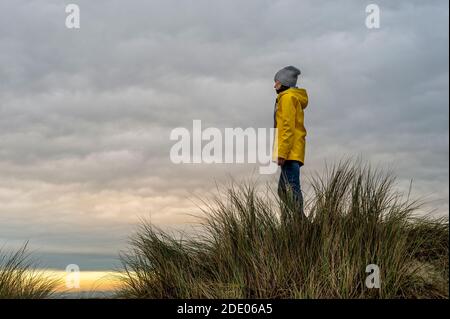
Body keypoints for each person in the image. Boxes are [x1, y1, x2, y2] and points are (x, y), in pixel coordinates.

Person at [272, 66, 309, 221]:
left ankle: (301, 223)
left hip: (290, 152)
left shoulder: (287, 98)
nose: (275, 86)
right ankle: (299, 219)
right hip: (294, 151)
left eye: (277, 82)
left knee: (292, 188)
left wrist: (282, 153)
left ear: (285, 82)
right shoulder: (291, 97)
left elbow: (287, 128)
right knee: (283, 190)